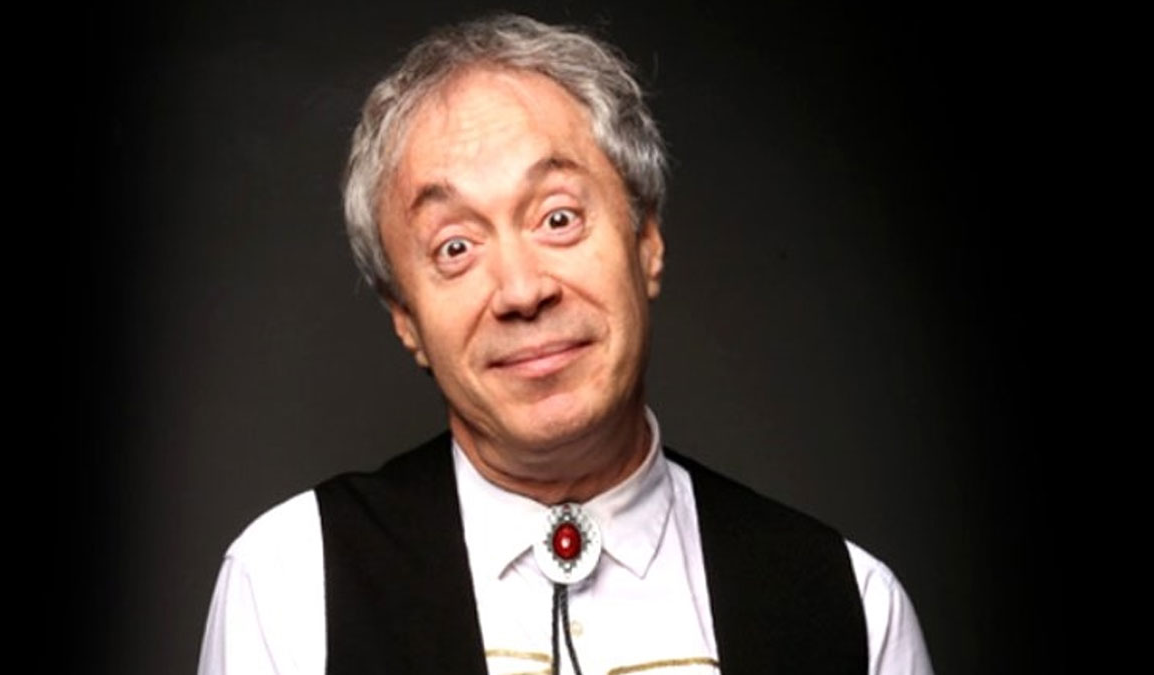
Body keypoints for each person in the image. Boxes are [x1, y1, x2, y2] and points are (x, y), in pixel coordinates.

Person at [198, 14, 933, 675]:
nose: (522, 290)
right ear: (405, 318)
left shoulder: (850, 605)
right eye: (455, 247)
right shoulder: (291, 584)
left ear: (646, 241)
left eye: (558, 218)